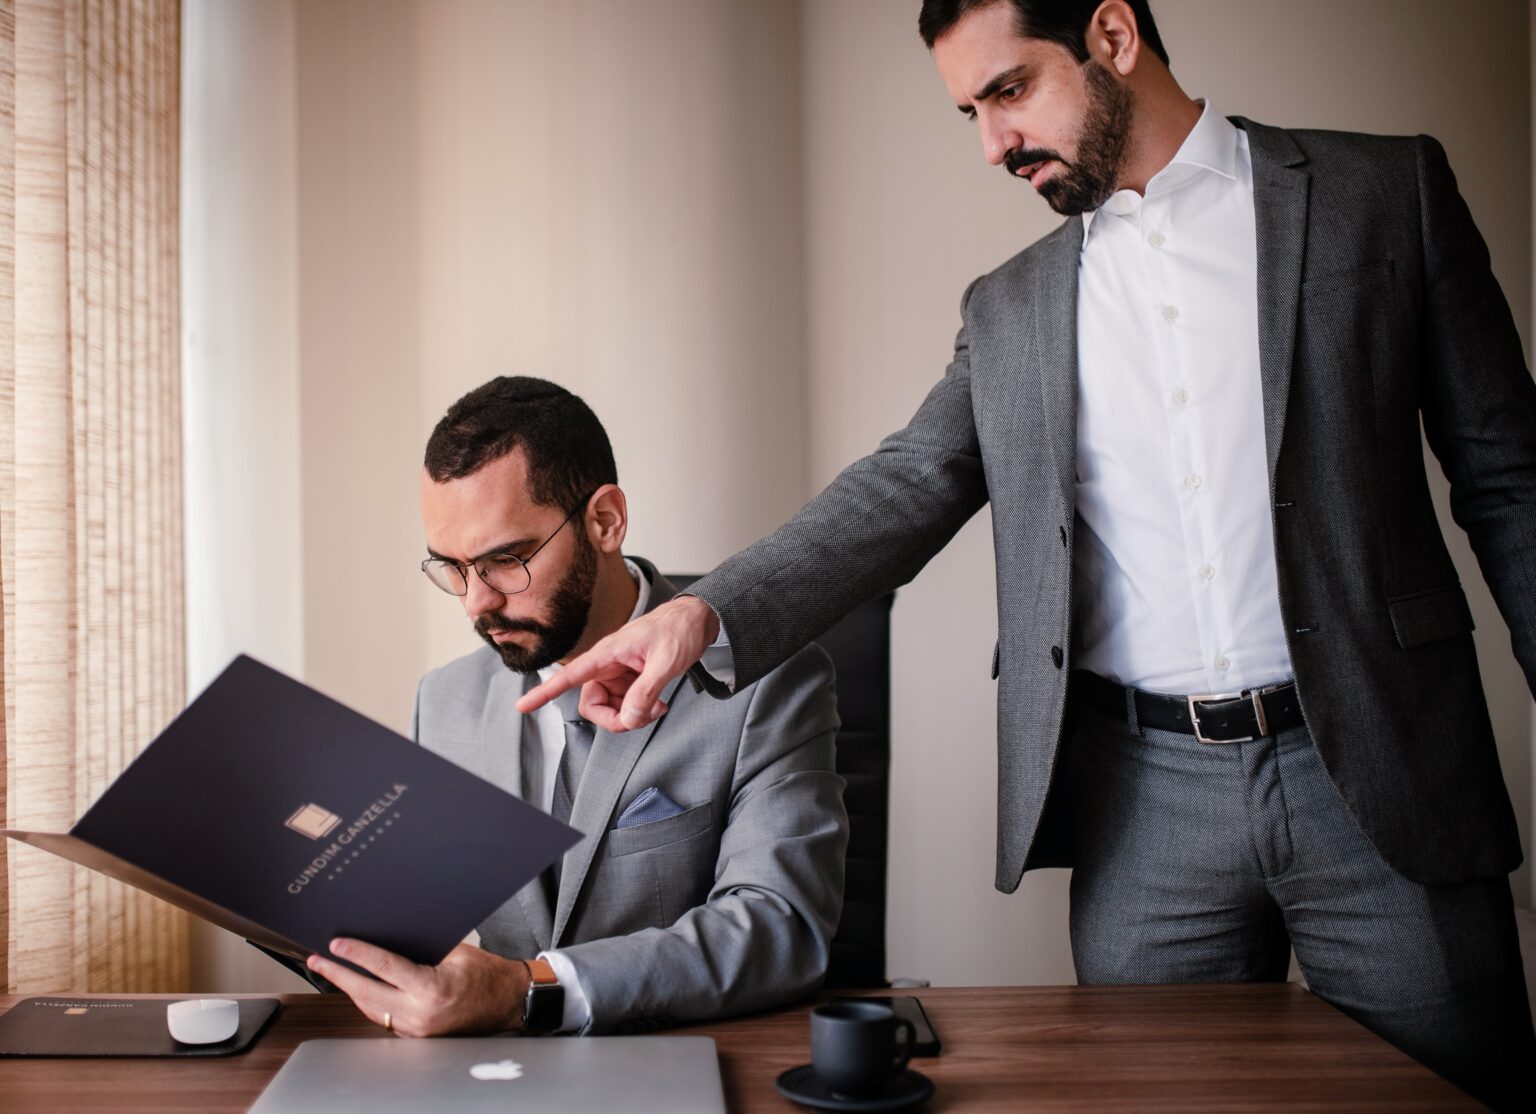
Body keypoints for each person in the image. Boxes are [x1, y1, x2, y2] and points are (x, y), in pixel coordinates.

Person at [521, 1, 1536, 1106]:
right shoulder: (1010, 308)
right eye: (969, 110)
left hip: (1384, 766)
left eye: (1009, 92)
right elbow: (905, 485)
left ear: (1110, 36)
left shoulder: (1383, 198)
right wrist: (699, 614)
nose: (992, 144)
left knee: (1459, 1095)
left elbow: (1511, 482)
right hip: (1144, 804)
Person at [306, 376, 847, 1037]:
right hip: (485, 1078)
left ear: (605, 521)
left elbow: (778, 928)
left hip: (682, 1065)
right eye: (452, 567)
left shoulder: (767, 681)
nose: (476, 602)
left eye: (506, 559)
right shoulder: (443, 702)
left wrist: (523, 989)